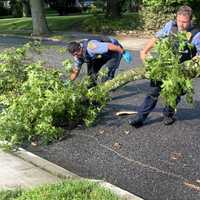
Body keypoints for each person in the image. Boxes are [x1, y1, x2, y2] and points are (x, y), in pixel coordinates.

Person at [129, 5, 200, 128]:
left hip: (182, 70)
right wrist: (144, 51)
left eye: (184, 22)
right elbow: (157, 38)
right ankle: (140, 117)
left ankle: (168, 114)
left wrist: (193, 64)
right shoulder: (170, 26)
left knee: (175, 93)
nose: (181, 25)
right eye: (179, 21)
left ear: (190, 20)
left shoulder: (196, 34)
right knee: (153, 91)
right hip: (164, 65)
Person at [67, 36, 132, 86]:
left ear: (80, 48)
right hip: (101, 54)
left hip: (114, 50)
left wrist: (123, 52)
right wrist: (69, 81)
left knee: (105, 75)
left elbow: (109, 46)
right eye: (74, 55)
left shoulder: (91, 47)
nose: (76, 56)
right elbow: (75, 71)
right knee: (91, 76)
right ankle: (92, 92)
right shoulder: (77, 57)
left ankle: (106, 89)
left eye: (76, 54)